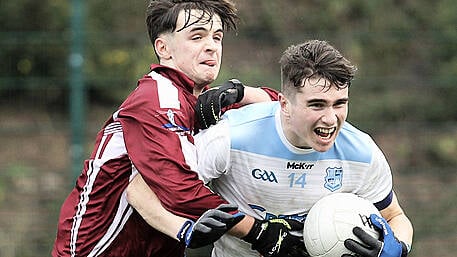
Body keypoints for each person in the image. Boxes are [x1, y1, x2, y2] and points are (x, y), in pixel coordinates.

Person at [52, 1, 305, 257]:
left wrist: (241, 92)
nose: (211, 46)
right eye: (197, 36)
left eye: (217, 37)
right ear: (164, 49)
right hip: (98, 250)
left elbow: (286, 114)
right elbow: (180, 190)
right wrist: (258, 231)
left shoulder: (206, 103)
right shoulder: (155, 99)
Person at [129, 39, 414, 257]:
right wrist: (183, 230)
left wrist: (397, 246)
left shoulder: (362, 153)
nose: (331, 118)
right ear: (285, 105)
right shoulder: (232, 137)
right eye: (317, 104)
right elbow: (140, 189)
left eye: (340, 104)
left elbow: (395, 217)